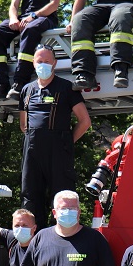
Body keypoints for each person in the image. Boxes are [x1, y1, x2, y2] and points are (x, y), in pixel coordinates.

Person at [18, 45, 91, 227]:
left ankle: (62, 236)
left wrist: (66, 142)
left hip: (59, 152)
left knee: (63, 196)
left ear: (55, 63)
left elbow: (85, 121)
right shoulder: (26, 90)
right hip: (32, 151)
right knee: (30, 195)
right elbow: (23, 124)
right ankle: (34, 238)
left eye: (47, 62)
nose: (43, 65)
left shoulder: (66, 88)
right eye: (39, 62)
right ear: (33, 64)